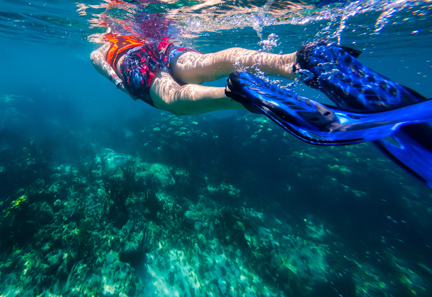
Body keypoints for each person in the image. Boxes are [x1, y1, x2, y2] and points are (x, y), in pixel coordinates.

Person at [91, 34, 432, 187]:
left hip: (129, 61)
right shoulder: (137, 29)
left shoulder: (103, 43)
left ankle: (237, 93)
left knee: (174, 101)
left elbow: (100, 63)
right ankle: (297, 62)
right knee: (209, 62)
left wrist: (120, 84)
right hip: (159, 47)